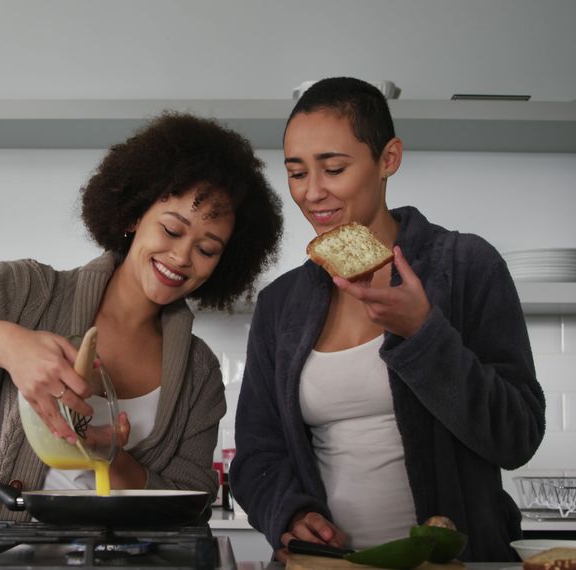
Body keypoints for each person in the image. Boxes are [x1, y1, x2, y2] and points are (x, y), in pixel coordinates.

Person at [0, 112, 283, 525]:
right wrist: (12, 348)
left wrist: (107, 457)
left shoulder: (199, 372)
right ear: (133, 216)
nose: (182, 257)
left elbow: (191, 501)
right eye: (171, 230)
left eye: (207, 249)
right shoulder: (30, 293)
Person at [228, 77, 545, 562]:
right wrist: (290, 514)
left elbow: (517, 435)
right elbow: (257, 455)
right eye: (296, 173)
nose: (312, 192)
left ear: (388, 159)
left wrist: (423, 334)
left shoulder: (466, 266)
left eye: (333, 168)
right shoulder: (281, 303)